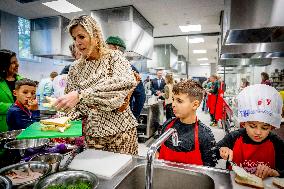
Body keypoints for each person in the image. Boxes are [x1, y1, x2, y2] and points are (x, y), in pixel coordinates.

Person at [54, 15, 138, 155]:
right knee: (96, 174)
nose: (78, 43)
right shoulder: (75, 68)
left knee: (124, 174)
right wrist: (61, 117)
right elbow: (74, 106)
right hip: (93, 135)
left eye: (81, 36)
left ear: (95, 35)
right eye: (74, 39)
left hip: (121, 133)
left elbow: (121, 86)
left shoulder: (114, 57)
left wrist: (81, 94)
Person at [217, 84, 284, 179]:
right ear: (244, 123)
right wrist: (221, 150)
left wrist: (275, 172)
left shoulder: (275, 142)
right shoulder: (234, 137)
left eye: (264, 128)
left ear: (271, 127)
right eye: (252, 126)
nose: (258, 132)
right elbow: (213, 152)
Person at [156, 80, 217, 167]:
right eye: (173, 99)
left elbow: (209, 169)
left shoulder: (205, 135)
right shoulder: (167, 125)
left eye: (179, 101)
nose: (173, 104)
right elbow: (158, 152)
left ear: (195, 105)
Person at [105, 36, 146, 120]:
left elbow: (140, 95)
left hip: (122, 117)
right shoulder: (104, 68)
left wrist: (134, 116)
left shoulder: (130, 69)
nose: (104, 52)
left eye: (107, 48)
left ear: (116, 48)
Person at [0, 49, 22, 132]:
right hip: (3, 126)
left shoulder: (21, 80)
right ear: (3, 64)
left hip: (20, 124)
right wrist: (14, 107)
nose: (17, 65)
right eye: (13, 63)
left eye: (17, 62)